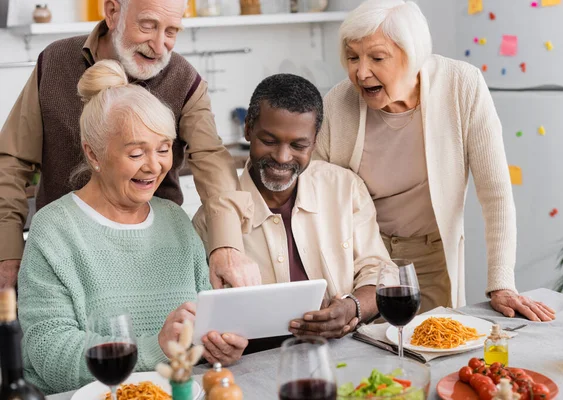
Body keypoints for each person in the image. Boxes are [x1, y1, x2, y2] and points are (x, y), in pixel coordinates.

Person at [17, 60, 248, 395]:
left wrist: (220, 344)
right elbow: (49, 353)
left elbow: (205, 323)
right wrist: (156, 347)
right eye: (137, 153)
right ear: (93, 154)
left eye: (164, 149)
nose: (154, 166)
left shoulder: (175, 220)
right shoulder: (53, 230)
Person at [315, 0, 555, 321]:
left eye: (377, 57)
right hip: (358, 264)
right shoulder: (337, 103)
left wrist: (501, 284)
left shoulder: (461, 86)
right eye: (352, 57)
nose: (361, 72)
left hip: (429, 260)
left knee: (431, 352)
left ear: (413, 55)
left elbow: (495, 194)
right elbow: (313, 200)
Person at [0, 0, 259, 291]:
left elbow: (211, 159)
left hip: (155, 255)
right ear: (112, 12)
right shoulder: (54, 62)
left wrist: (226, 246)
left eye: (172, 31)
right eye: (148, 26)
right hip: (63, 254)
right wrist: (7, 252)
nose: (159, 46)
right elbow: (11, 161)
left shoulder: (185, 81)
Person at [195, 74, 392, 339]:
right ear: (247, 129)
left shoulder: (345, 188)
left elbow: (380, 272)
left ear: (315, 140)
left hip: (346, 354)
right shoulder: (212, 221)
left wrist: (352, 307)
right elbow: (201, 317)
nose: (282, 157)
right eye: (269, 141)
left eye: (298, 145)